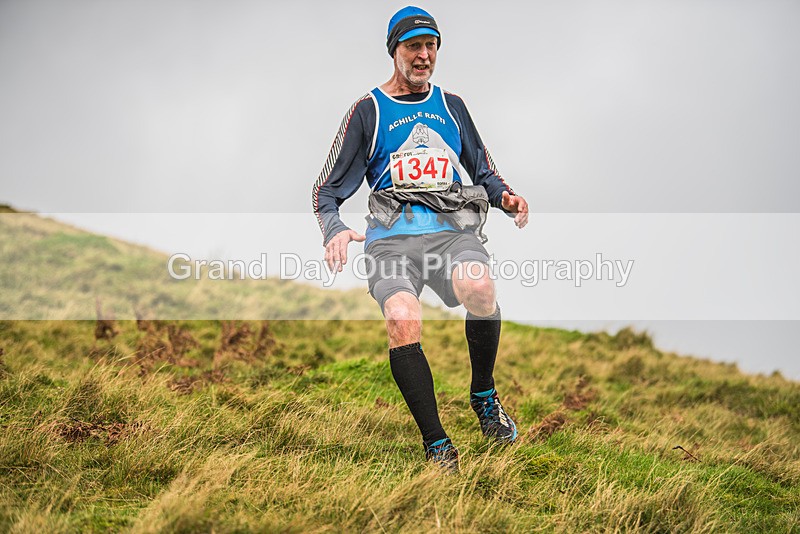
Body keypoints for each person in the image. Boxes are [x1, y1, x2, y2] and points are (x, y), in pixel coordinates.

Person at [311, 6, 529, 470]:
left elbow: (484, 170)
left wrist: (506, 198)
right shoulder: (368, 111)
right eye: (414, 46)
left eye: (431, 46)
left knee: (480, 288)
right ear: (395, 52)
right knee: (402, 319)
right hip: (391, 242)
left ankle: (484, 398)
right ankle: (437, 443)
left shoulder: (452, 107)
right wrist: (334, 230)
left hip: (452, 232)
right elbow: (325, 190)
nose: (424, 55)